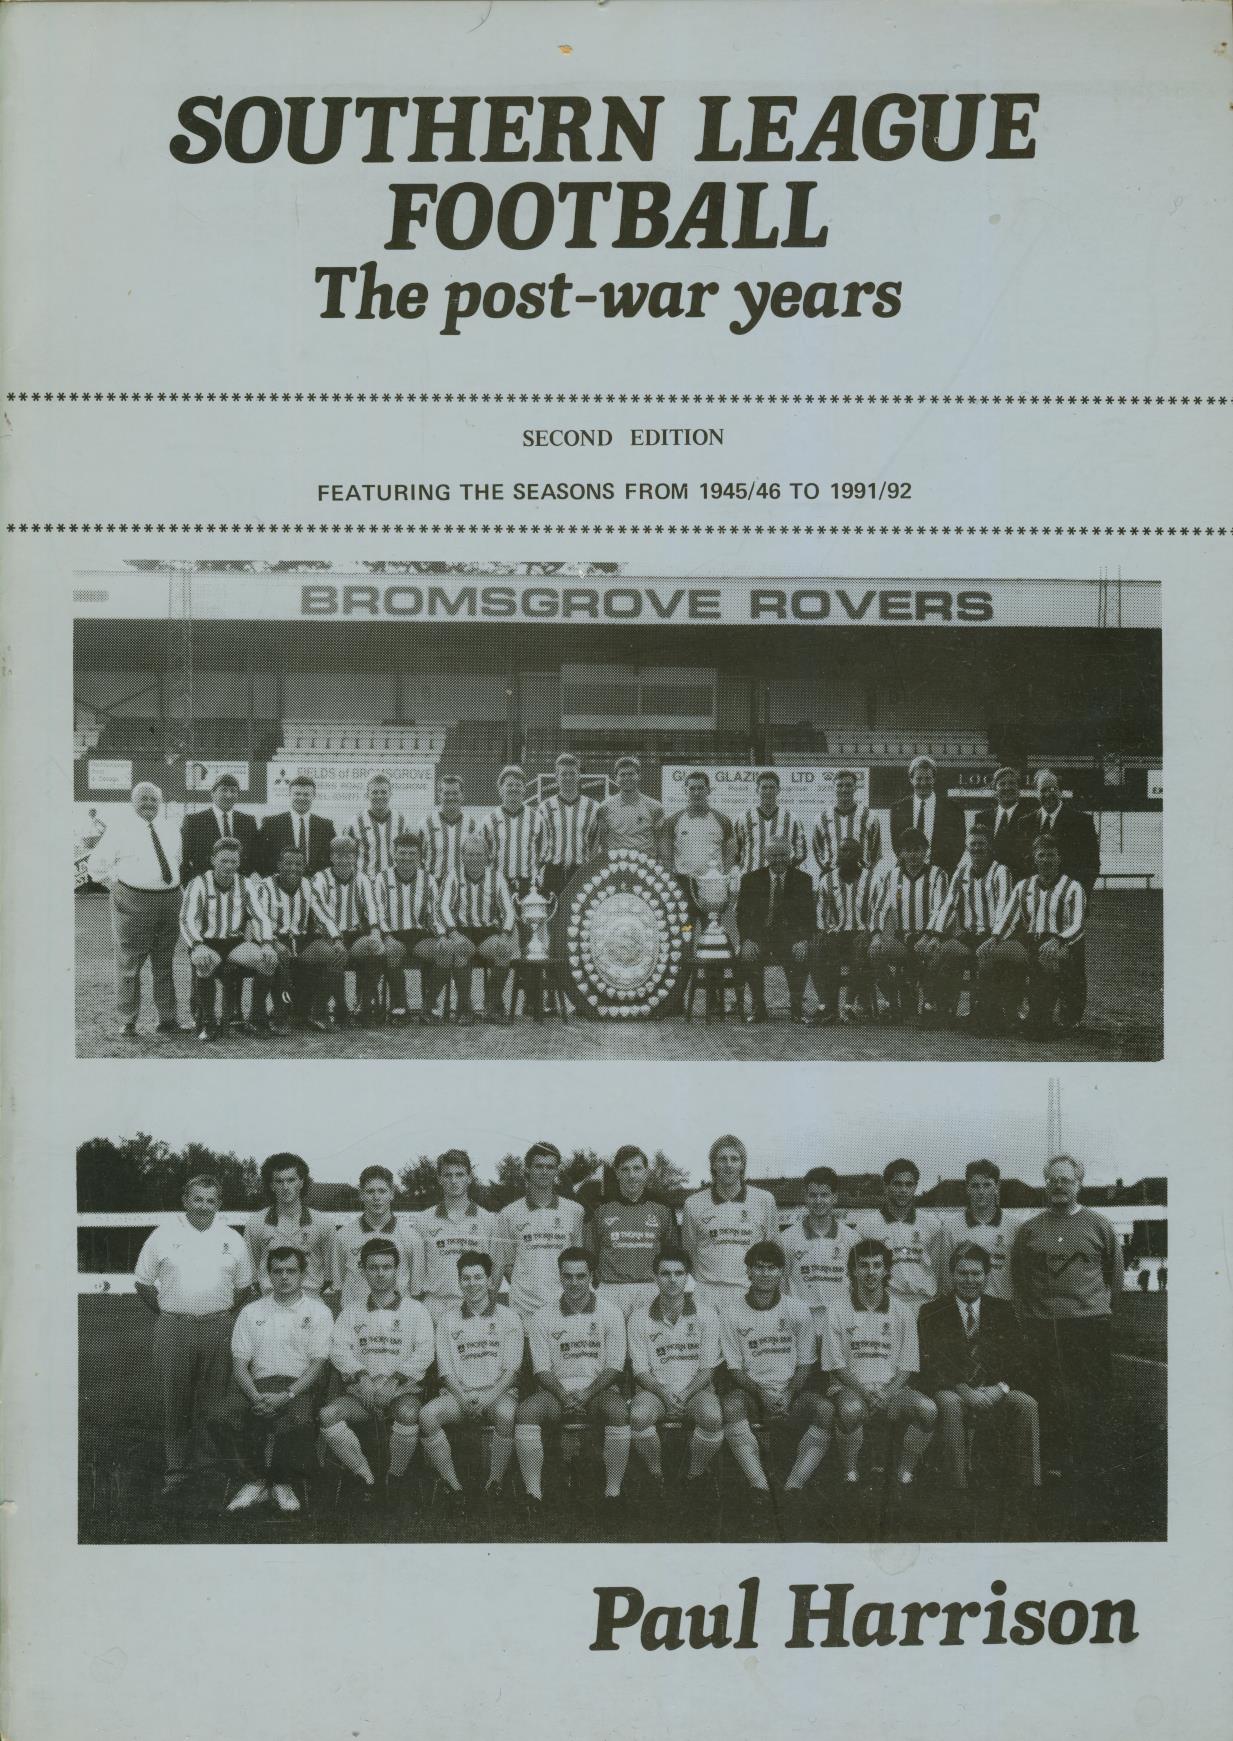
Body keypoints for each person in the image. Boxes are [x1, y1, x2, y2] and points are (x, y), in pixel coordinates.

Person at [132, 1174, 254, 1496]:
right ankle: (176, 1472)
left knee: (214, 1403)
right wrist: (169, 1312)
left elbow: (243, 1286)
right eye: (197, 1199)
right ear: (185, 1200)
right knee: (176, 1401)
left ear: (219, 1204)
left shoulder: (232, 1239)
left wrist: (221, 1312)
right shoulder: (163, 1235)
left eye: (210, 1200)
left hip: (218, 1327)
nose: (203, 1206)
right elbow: (143, 1282)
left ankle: (207, 1468)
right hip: (174, 1327)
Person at [1011, 1154, 1123, 1483]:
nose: (1059, 1186)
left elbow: (1114, 1275)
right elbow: (1019, 1277)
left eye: (1066, 1180)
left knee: (1092, 1394)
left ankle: (1092, 1463)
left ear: (1079, 1184)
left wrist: (1099, 1310)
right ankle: (1054, 1461)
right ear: (1046, 1184)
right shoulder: (1030, 1229)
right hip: (1043, 1326)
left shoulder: (1100, 1225)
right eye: (1053, 1180)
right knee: (1046, 1394)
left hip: (1088, 1324)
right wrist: (1032, 1316)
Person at [213, 1246, 333, 1514]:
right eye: (277, 1271)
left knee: (297, 1419)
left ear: (303, 1274)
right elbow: (240, 1365)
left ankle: (281, 1482)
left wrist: (287, 1395)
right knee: (219, 1417)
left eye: (291, 1271)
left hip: (298, 1387)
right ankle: (255, 1480)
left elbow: (317, 1364)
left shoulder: (319, 1312)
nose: (284, 1277)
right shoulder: (251, 1312)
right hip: (256, 1387)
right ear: (268, 1275)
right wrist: (255, 1397)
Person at [319, 1238, 436, 1498]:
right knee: (328, 1415)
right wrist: (363, 1379)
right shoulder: (351, 1311)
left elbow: (425, 1352)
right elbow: (338, 1350)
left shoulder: (416, 1310)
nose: (380, 1273)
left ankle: (394, 1477)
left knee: (407, 1413)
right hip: (363, 1393)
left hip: (402, 1392)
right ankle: (366, 1475)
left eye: (387, 1267)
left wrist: (393, 1382)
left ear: (397, 1269)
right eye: (373, 1267)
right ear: (362, 1270)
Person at [514, 1248, 631, 1508]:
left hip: (598, 1391)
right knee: (526, 1412)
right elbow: (541, 1369)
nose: (574, 1283)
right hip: (558, 1392)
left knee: (618, 1412)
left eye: (581, 1276)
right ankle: (533, 1495)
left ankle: (613, 1494)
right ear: (560, 1276)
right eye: (568, 1276)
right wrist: (564, 1395)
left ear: (591, 1276)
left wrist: (586, 1394)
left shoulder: (611, 1312)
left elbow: (614, 1366)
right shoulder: (542, 1315)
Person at [918, 1243, 1040, 1492]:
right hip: (954, 1389)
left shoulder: (1002, 1309)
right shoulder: (932, 1312)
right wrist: (964, 1390)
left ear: (986, 1275)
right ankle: (958, 1487)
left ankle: (1028, 1486)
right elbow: (930, 1364)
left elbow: (1019, 1359)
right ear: (952, 1274)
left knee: (1026, 1403)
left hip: (993, 1389)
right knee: (950, 1403)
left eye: (976, 1274)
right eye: (962, 1273)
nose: (969, 1280)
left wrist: (1000, 1388)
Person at [719, 1242, 834, 1504]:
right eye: (759, 1267)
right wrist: (761, 1393)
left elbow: (805, 1362)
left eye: (772, 1268)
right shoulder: (731, 1312)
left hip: (791, 1392)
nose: (765, 1274)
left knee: (826, 1410)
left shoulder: (798, 1309)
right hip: (752, 1393)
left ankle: (794, 1485)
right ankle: (759, 1484)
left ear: (782, 1272)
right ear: (748, 1271)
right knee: (730, 1406)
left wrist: (790, 1392)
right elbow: (734, 1368)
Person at [826, 1240, 937, 1488]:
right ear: (853, 1271)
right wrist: (865, 1393)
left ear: (886, 1270)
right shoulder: (836, 1309)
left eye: (877, 1266)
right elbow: (836, 1365)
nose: (870, 1272)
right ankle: (850, 1474)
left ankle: (904, 1473)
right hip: (851, 1389)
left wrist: (886, 1393)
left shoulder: (903, 1311)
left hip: (892, 1391)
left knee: (928, 1409)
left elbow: (907, 1365)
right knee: (851, 1410)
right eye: (863, 1266)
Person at [418, 1251, 525, 1502]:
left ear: (490, 1281)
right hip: (459, 1395)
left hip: (498, 1393)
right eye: (465, 1278)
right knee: (427, 1415)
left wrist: (487, 1398)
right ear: (459, 1282)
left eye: (478, 1277)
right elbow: (445, 1372)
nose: (472, 1283)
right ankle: (454, 1486)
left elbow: (512, 1372)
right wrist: (463, 1398)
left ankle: (494, 1482)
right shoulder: (447, 1320)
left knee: (506, 1414)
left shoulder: (509, 1317)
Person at [85, 780, 186, 1038]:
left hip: (169, 902)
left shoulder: (171, 828)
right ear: (133, 802)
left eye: (154, 799)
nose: (149, 803)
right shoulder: (120, 829)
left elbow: (176, 862)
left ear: (160, 803)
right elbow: (95, 866)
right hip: (133, 902)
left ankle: (168, 1019)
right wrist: (117, 886)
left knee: (164, 963)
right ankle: (128, 1021)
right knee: (130, 964)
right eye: (144, 799)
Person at [627, 1248, 726, 1495]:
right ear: (655, 1277)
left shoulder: (707, 1314)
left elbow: (707, 1369)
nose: (672, 1279)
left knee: (713, 1417)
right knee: (638, 1416)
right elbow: (640, 1371)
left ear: (687, 1276)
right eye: (665, 1273)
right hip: (655, 1391)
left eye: (678, 1273)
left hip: (696, 1390)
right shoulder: (638, 1317)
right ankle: (656, 1474)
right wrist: (664, 1393)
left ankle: (695, 1474)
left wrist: (684, 1394)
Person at [982, 832, 1087, 1032]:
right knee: (990, 953)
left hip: (1062, 945)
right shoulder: (1023, 886)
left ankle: (1045, 1014)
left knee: (1047, 960)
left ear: (1059, 858)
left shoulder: (1073, 887)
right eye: (1041, 855)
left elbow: (1077, 924)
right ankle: (998, 1012)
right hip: (1030, 942)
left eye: (1051, 855)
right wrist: (994, 939)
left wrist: (1058, 940)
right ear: (1034, 858)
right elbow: (1008, 918)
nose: (1046, 860)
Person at [179, 836, 278, 1039]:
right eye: (224, 860)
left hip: (234, 944)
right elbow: (186, 919)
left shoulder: (245, 884)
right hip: (206, 942)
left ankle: (257, 1017)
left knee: (267, 961)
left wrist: (267, 944)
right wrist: (197, 945)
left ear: (239, 862)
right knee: (205, 963)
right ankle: (208, 1021)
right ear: (213, 860)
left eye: (234, 861)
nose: (229, 866)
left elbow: (260, 917)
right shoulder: (198, 883)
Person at [918, 823, 1012, 1024]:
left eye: (981, 844)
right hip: (969, 937)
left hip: (994, 937)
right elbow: (948, 904)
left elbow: (1004, 909)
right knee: (938, 951)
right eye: (973, 844)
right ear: (967, 847)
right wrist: (935, 935)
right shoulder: (961, 872)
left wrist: (994, 938)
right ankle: (935, 1007)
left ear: (990, 847)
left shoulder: (1001, 871)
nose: (977, 848)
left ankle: (982, 1013)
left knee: (985, 960)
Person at [679, 1135, 781, 1316]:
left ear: (742, 1164)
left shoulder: (764, 1200)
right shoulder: (693, 1203)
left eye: (735, 1159)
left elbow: (774, 1250)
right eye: (722, 1159)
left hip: (749, 1290)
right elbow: (689, 1251)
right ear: (713, 1165)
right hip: (706, 1293)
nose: (728, 1165)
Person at [248, 843, 344, 1032]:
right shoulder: (264, 887)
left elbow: (324, 915)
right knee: (280, 956)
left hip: (301, 941)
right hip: (272, 939)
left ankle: (318, 1011)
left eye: (298, 864)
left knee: (337, 954)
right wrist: (272, 943)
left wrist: (337, 939)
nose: (294, 868)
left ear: (304, 867)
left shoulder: (309, 885)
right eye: (288, 864)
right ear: (279, 865)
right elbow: (258, 921)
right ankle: (280, 1014)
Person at [495, 1141, 587, 1328]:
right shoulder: (509, 1214)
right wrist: (530, 1288)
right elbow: (508, 1264)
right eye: (538, 1166)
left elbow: (578, 1260)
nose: (544, 1171)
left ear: (557, 1171)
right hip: (524, 1307)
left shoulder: (574, 1211)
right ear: (527, 1169)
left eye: (550, 1167)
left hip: (564, 1304)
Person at [867, 827, 948, 1021]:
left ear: (926, 851)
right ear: (901, 853)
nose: (913, 855)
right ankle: (894, 1002)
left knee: (936, 953)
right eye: (908, 850)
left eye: (918, 850)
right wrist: (876, 936)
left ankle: (928, 1004)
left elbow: (941, 908)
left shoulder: (938, 874)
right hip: (902, 939)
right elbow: (879, 909)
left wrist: (927, 936)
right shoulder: (892, 876)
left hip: (929, 937)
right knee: (875, 952)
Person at [586, 1144, 676, 1319]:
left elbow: (671, 1253)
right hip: (611, 1289)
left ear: (646, 1172)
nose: (632, 1175)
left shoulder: (662, 1209)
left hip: (650, 1288)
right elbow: (591, 1253)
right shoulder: (601, 1209)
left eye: (637, 1168)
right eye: (625, 1169)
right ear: (617, 1173)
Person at [438, 832, 519, 1025]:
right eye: (470, 854)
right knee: (460, 951)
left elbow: (509, 911)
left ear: (487, 856)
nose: (474, 859)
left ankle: (492, 1006)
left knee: (503, 951)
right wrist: (453, 934)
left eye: (479, 854)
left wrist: (505, 936)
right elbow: (442, 906)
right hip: (462, 930)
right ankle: (465, 1008)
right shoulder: (453, 875)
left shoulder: (496, 877)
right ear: (462, 856)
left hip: (486, 932)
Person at [411, 1149, 499, 1324]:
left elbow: (495, 1268)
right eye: (447, 1175)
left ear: (469, 1178)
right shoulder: (424, 1220)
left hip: (474, 1305)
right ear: (439, 1178)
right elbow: (417, 1271)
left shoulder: (487, 1219)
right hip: (435, 1306)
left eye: (459, 1175)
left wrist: (487, 1302)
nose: (453, 1181)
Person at [735, 833, 815, 1024]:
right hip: (760, 935)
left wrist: (803, 940)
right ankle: (758, 1006)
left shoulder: (803, 880)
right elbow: (742, 915)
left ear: (790, 855)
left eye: (783, 855)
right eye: (774, 855)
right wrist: (747, 940)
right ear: (766, 857)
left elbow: (809, 916)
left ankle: (796, 1007)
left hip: (790, 936)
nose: (779, 860)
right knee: (747, 954)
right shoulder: (750, 879)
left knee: (802, 953)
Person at [308, 833, 386, 1027]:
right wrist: (336, 938)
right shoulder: (320, 878)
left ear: (355, 857)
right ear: (331, 857)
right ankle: (329, 1009)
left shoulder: (362, 878)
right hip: (327, 936)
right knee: (337, 955)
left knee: (375, 949)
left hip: (353, 934)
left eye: (349, 855)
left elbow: (372, 906)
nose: (344, 860)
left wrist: (375, 932)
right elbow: (320, 911)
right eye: (339, 855)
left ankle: (363, 1005)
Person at [853, 1158, 945, 1319]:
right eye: (897, 1184)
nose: (903, 1190)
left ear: (915, 1187)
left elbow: (940, 1269)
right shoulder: (866, 1226)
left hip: (924, 1303)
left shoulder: (932, 1224)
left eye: (909, 1184)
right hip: (884, 1304)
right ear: (886, 1186)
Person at [373, 832, 448, 1023]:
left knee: (445, 951)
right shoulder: (382, 878)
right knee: (391, 952)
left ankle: (429, 1006)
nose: (407, 858)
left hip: (418, 935)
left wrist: (441, 936)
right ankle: (400, 1006)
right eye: (402, 853)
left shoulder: (428, 879)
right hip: (392, 934)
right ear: (394, 853)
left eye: (412, 853)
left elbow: (435, 912)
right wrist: (387, 937)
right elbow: (378, 912)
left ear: (419, 855)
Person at [330, 1164, 426, 1310]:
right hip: (356, 1318)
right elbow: (338, 1288)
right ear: (361, 1194)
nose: (376, 1197)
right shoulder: (343, 1236)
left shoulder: (412, 1238)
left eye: (382, 1191)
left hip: (397, 1319)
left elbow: (416, 1292)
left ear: (392, 1193)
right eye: (370, 1191)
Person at [245, 1152, 335, 1298]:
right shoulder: (256, 1223)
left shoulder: (323, 1223)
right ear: (271, 1185)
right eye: (279, 1181)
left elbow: (329, 1276)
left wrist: (307, 1296)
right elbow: (252, 1274)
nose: (285, 1187)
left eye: (291, 1180)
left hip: (310, 1303)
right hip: (270, 1303)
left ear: (301, 1182)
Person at [781, 1166, 857, 1337]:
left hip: (839, 1321)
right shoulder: (787, 1237)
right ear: (805, 1197)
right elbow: (782, 1281)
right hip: (801, 1322)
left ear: (834, 1197)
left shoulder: (851, 1238)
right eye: (813, 1195)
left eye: (824, 1195)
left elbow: (856, 1284)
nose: (818, 1201)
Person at [809, 837, 875, 1023]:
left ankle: (849, 1005)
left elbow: (877, 910)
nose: (845, 855)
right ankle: (827, 1006)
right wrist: (824, 932)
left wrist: (869, 931)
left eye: (850, 851)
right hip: (838, 933)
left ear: (859, 855)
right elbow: (821, 913)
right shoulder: (827, 879)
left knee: (860, 947)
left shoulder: (872, 879)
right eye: (842, 851)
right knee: (816, 947)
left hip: (863, 932)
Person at [939, 1159, 1024, 1301]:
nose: (981, 1191)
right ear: (967, 1188)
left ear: (997, 1187)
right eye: (975, 1186)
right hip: (966, 1309)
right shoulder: (951, 1227)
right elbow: (947, 1278)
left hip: (1004, 1307)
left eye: (987, 1185)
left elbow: (1021, 1276)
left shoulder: (1015, 1226)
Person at [1011, 768, 1101, 897]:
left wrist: (1076, 896)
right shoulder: (1025, 823)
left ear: (1060, 792)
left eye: (1053, 789)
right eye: (1043, 790)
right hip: (1033, 901)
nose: (1048, 794)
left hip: (1068, 900)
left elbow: (1091, 866)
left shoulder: (1081, 822)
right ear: (1036, 793)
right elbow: (1019, 865)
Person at [534, 752, 600, 900]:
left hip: (581, 870)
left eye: (572, 773)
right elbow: (537, 843)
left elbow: (595, 842)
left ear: (579, 776)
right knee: (552, 912)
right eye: (563, 774)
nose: (568, 777)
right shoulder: (544, 807)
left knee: (580, 911)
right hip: (553, 872)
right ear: (556, 777)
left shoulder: (593, 807)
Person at [889, 755, 965, 876]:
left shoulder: (952, 809)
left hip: (942, 873)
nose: (923, 783)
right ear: (911, 779)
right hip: (909, 874)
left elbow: (958, 846)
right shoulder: (898, 809)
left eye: (928, 778)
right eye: (919, 779)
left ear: (934, 779)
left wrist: (940, 872)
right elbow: (897, 845)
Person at [180, 772, 259, 884]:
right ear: (212, 793)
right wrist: (190, 886)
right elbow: (184, 860)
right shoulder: (194, 821)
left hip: (239, 887)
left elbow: (254, 858)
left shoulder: (248, 821)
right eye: (224, 790)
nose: (229, 795)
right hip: (206, 886)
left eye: (233, 791)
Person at [257, 772, 336, 877]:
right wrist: (274, 882)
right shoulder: (271, 823)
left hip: (316, 884)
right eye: (297, 794)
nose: (301, 798)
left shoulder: (326, 826)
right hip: (281, 884)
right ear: (289, 794)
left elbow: (331, 860)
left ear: (313, 796)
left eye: (306, 794)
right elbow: (260, 859)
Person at [484, 765, 540, 908]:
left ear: (524, 789)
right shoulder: (489, 820)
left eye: (518, 785)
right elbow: (483, 856)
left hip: (528, 885)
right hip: (498, 884)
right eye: (509, 785)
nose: (514, 788)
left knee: (527, 922)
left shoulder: (536, 819)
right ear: (500, 789)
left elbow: (542, 852)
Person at [734, 769, 808, 876]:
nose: (768, 791)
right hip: (752, 879)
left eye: (772, 787)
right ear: (757, 790)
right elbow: (735, 851)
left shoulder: (792, 819)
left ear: (778, 790)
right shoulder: (743, 818)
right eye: (764, 787)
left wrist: (785, 868)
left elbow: (801, 853)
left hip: (780, 880)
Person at [812, 769, 882, 878]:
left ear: (855, 788)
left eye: (848, 785)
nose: (844, 789)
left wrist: (866, 873)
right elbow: (817, 850)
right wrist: (828, 872)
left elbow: (876, 851)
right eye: (839, 785)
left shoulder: (870, 816)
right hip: (831, 877)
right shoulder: (821, 818)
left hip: (860, 877)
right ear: (833, 788)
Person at [593, 755, 664, 857]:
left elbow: (660, 841)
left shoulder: (655, 807)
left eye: (631, 774)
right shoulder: (605, 807)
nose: (627, 778)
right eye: (622, 774)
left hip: (645, 863)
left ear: (639, 776)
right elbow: (603, 843)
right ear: (616, 778)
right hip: (617, 863)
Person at [974, 765, 1036, 877]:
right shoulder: (982, 818)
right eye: (1002, 784)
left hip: (1020, 880)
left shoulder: (1030, 817)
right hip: (989, 880)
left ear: (1019, 789)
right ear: (994, 790)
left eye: (1012, 783)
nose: (1007, 788)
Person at [347, 772, 409, 880]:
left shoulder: (401, 822)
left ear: (390, 794)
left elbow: (409, 855)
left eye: (383, 792)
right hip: (365, 883)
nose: (379, 796)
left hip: (394, 882)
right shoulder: (355, 823)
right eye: (374, 792)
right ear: (367, 794)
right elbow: (347, 857)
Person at [419, 774, 478, 886]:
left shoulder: (472, 825)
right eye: (446, 793)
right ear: (439, 795)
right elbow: (417, 859)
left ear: (462, 795)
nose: (451, 797)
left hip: (464, 885)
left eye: (455, 793)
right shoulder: (426, 824)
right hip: (434, 884)